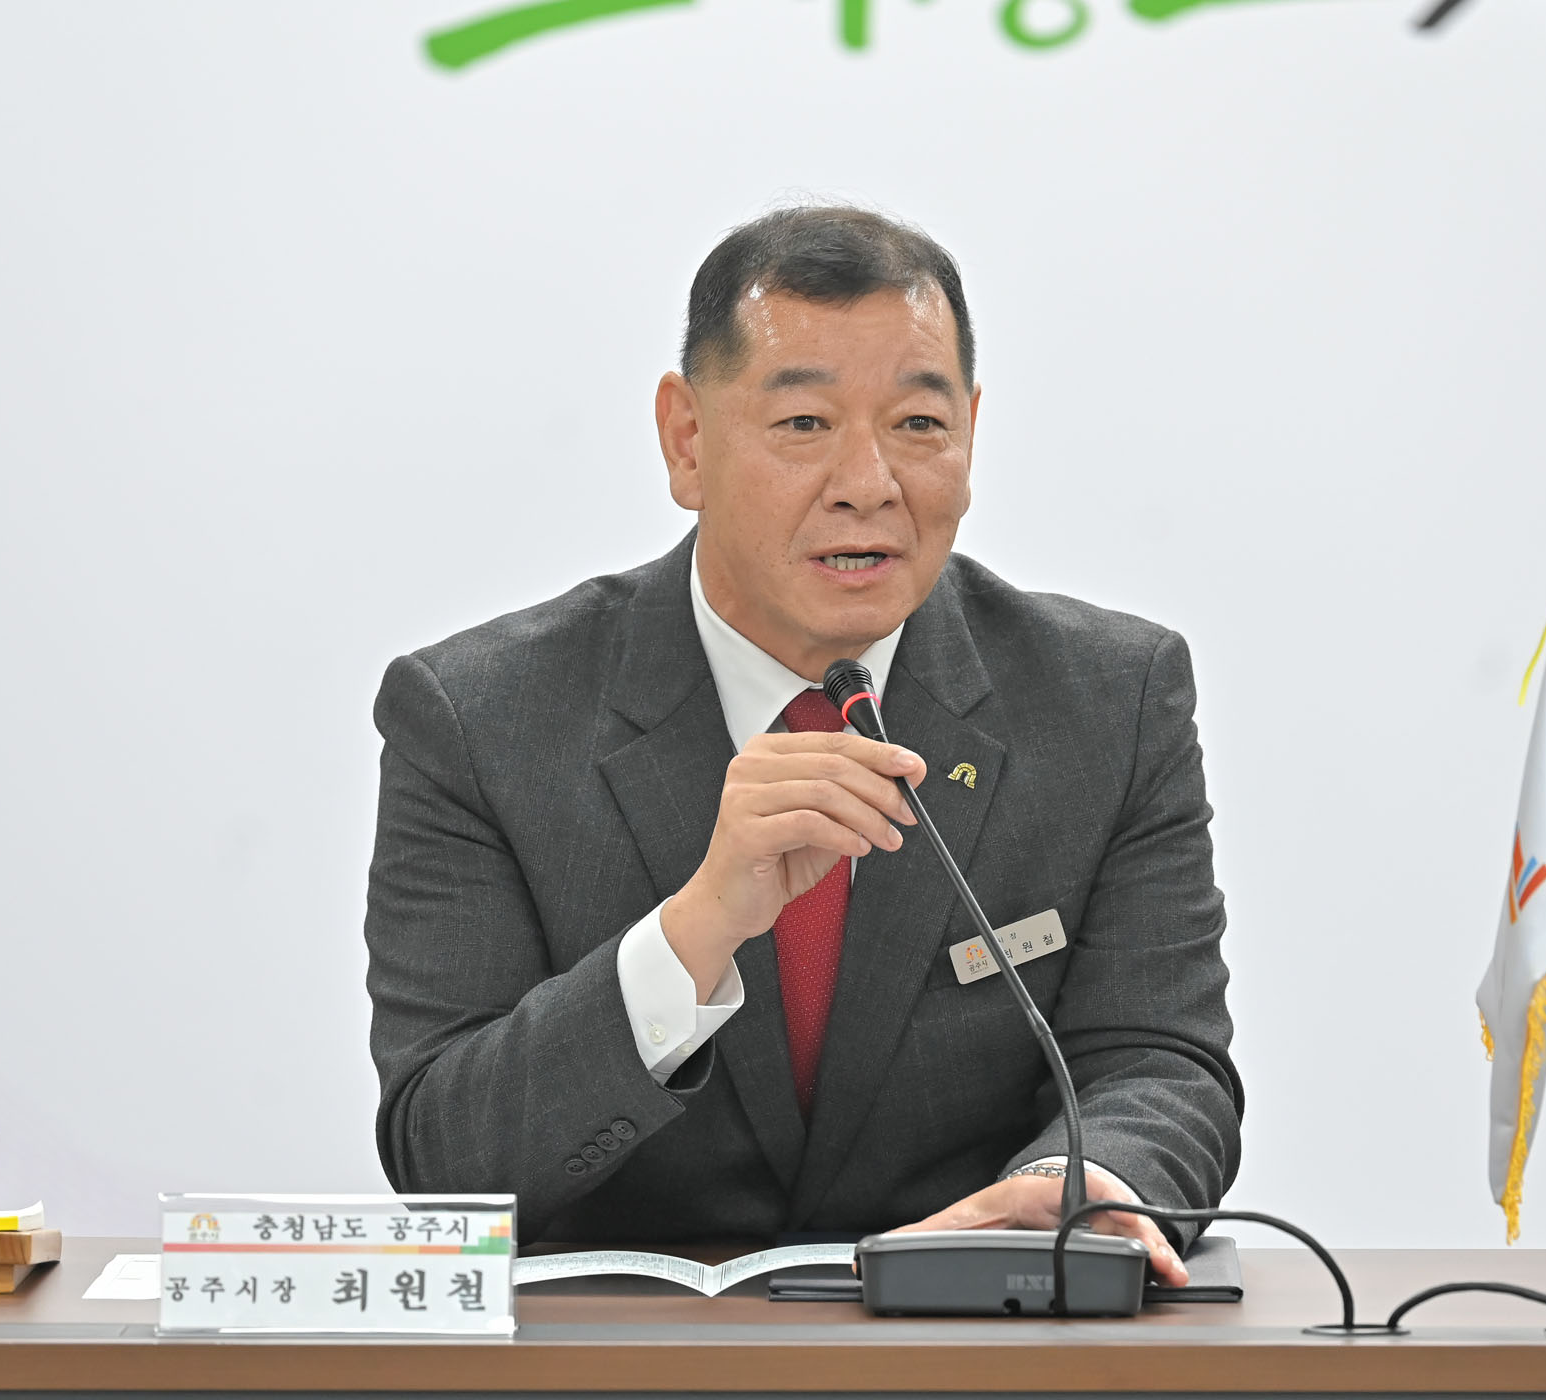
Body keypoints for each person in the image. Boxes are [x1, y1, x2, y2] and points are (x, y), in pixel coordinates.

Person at [363, 206, 1240, 1282]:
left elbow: (1162, 1062)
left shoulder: (1108, 699)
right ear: (687, 440)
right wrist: (695, 930)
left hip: (975, 1332)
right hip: (625, 1350)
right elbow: (444, 1163)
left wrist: (1081, 1183)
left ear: (972, 433)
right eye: (804, 422)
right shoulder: (480, 718)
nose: (868, 481)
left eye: (918, 423)